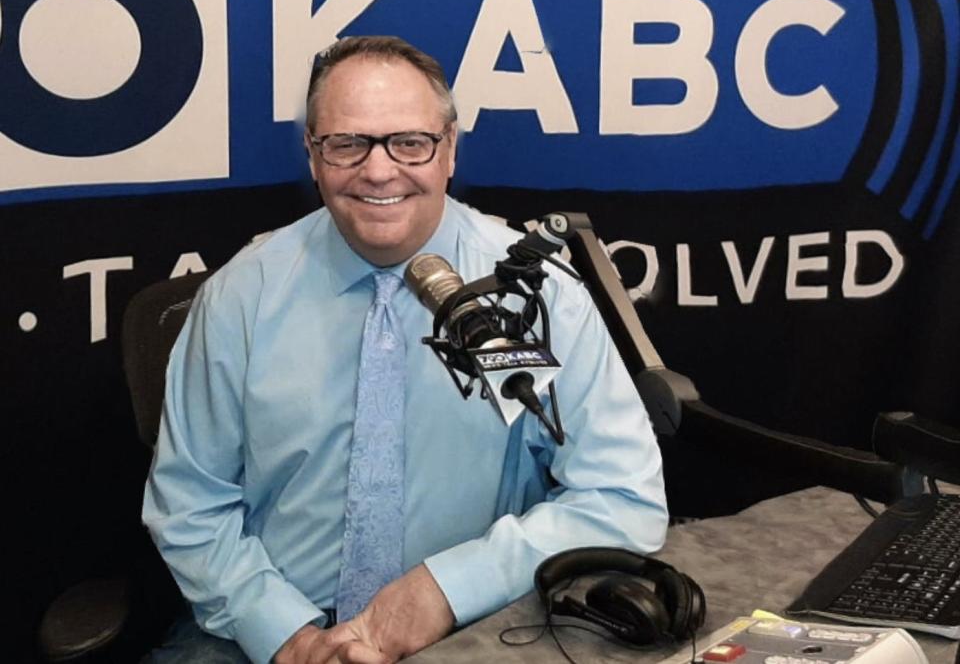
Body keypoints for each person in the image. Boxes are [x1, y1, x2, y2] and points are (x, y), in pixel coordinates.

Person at [142, 36, 668, 664]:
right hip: (264, 627)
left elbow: (622, 497)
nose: (380, 169)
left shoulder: (540, 292)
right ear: (313, 155)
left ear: (449, 150)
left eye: (410, 142)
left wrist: (446, 589)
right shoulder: (240, 297)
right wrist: (288, 636)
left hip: (475, 620)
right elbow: (190, 507)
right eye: (347, 143)